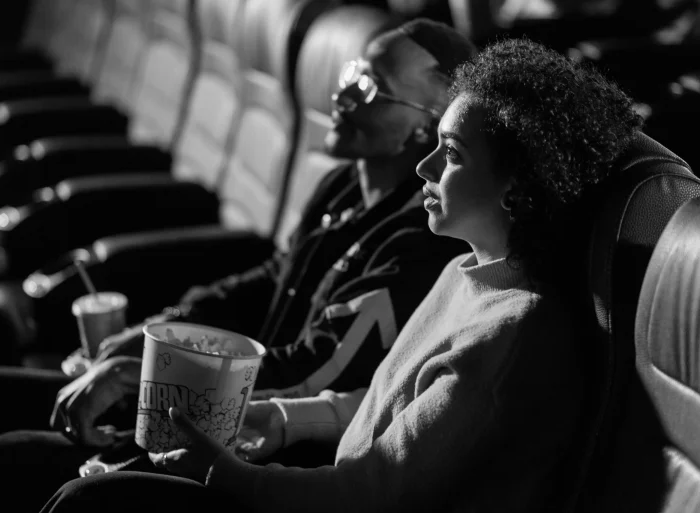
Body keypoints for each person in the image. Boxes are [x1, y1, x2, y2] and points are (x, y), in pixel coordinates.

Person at [39, 38, 645, 513]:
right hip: (314, 472)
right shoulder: (469, 271)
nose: (425, 165)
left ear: (519, 186)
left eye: (452, 153)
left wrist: (222, 473)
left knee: (84, 501)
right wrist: (279, 419)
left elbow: (365, 498)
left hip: (330, 498)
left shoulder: (513, 334)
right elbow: (391, 406)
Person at [0, 19, 476, 513]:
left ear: (422, 130)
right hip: (216, 401)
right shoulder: (341, 184)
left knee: (10, 462)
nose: (341, 97)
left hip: (259, 444)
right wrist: (159, 332)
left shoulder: (419, 243)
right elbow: (270, 279)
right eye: (351, 75)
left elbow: (311, 370)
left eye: (369, 88)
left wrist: (159, 374)